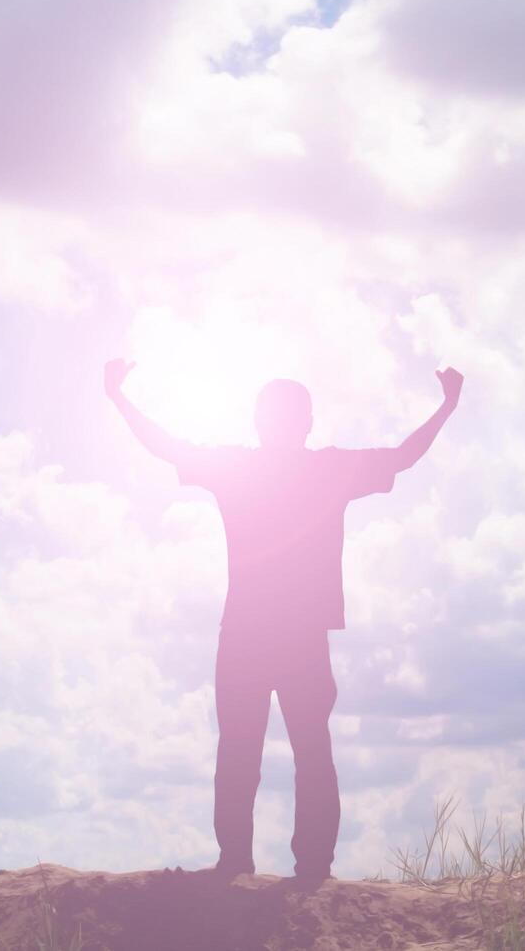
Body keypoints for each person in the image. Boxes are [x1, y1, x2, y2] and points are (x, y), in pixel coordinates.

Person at [103, 359, 464, 883]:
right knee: (280, 750)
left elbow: (168, 447)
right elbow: (403, 457)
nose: (281, 423)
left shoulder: (270, 468)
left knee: (274, 750)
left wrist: (119, 397)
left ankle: (273, 865)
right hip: (276, 635)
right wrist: (446, 407)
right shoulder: (313, 469)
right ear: (299, 422)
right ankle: (277, 865)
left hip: (271, 635)